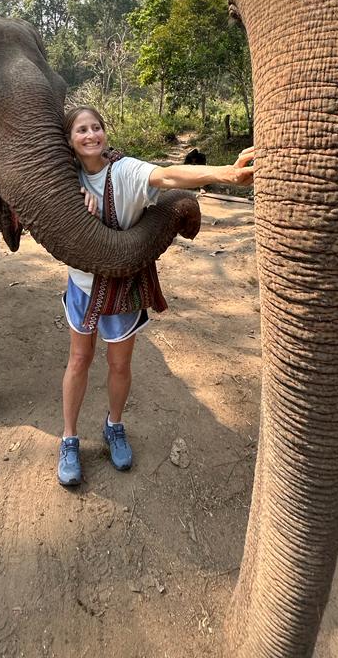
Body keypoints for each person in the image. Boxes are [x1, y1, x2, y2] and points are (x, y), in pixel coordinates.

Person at [57, 105, 255, 487]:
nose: (91, 135)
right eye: (81, 130)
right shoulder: (64, 180)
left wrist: (225, 174)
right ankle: (69, 439)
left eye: (97, 127)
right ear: (69, 140)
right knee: (79, 360)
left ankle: (114, 425)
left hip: (123, 286)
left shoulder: (125, 171)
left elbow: (166, 175)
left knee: (119, 365)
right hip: (82, 286)